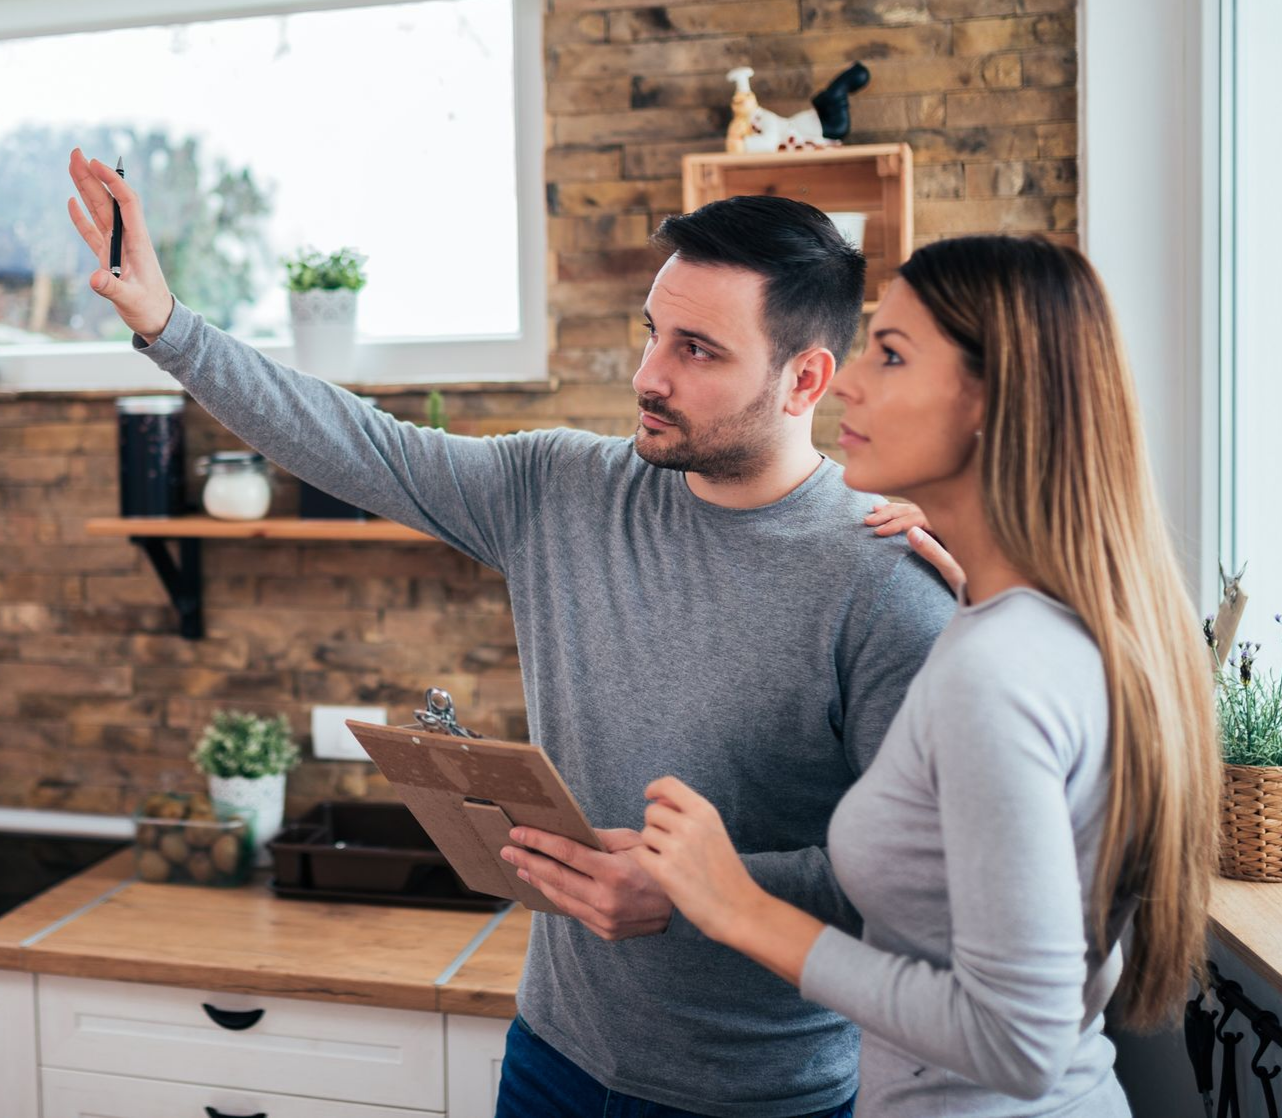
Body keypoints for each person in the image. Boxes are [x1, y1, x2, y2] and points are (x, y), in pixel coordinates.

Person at [67, 150, 956, 1118]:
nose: (646, 375)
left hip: (759, 1094)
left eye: (698, 350)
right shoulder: (560, 487)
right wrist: (166, 322)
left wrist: (699, 887)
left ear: (805, 379)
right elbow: (357, 442)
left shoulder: (885, 581)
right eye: (652, 333)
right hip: (553, 1056)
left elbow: (922, 877)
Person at [639, 235, 1220, 1117]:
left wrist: (735, 906)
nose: (847, 382)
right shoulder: (1043, 626)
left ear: (996, 402)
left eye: (893, 354)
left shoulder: (999, 671)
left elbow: (1017, 1043)